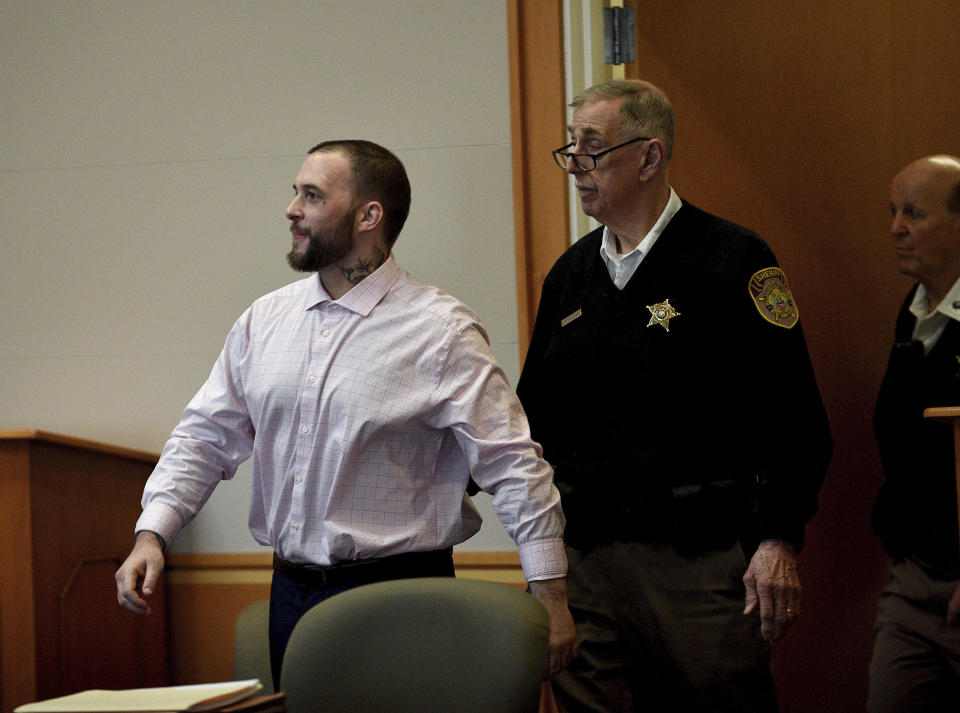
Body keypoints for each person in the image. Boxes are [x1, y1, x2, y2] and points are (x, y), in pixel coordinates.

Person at [115, 139, 577, 687]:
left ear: (368, 215)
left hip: (405, 597)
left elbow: (513, 464)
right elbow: (203, 438)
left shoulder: (442, 331)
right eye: (296, 193)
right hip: (290, 592)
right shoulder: (263, 321)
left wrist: (549, 591)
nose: (291, 209)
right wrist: (152, 535)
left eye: (311, 195)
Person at [515, 80, 833, 712]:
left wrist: (777, 540)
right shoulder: (571, 274)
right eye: (571, 148)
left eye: (593, 148)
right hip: (586, 565)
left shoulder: (733, 259)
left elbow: (795, 415)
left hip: (699, 561)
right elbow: (530, 420)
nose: (575, 165)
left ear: (650, 156)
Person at [868, 154, 960, 713]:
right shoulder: (917, 307)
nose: (896, 228)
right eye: (893, 211)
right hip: (916, 575)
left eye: (914, 213)